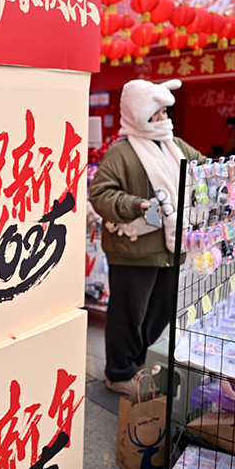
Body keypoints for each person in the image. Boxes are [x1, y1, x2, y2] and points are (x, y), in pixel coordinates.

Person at [89, 79, 205, 395]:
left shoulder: (175, 145)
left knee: (159, 313)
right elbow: (100, 194)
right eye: (157, 112)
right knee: (128, 315)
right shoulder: (122, 151)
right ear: (139, 113)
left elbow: (204, 171)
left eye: (166, 111)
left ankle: (137, 363)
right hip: (133, 248)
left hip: (170, 246)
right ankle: (119, 374)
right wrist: (135, 205)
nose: (164, 117)